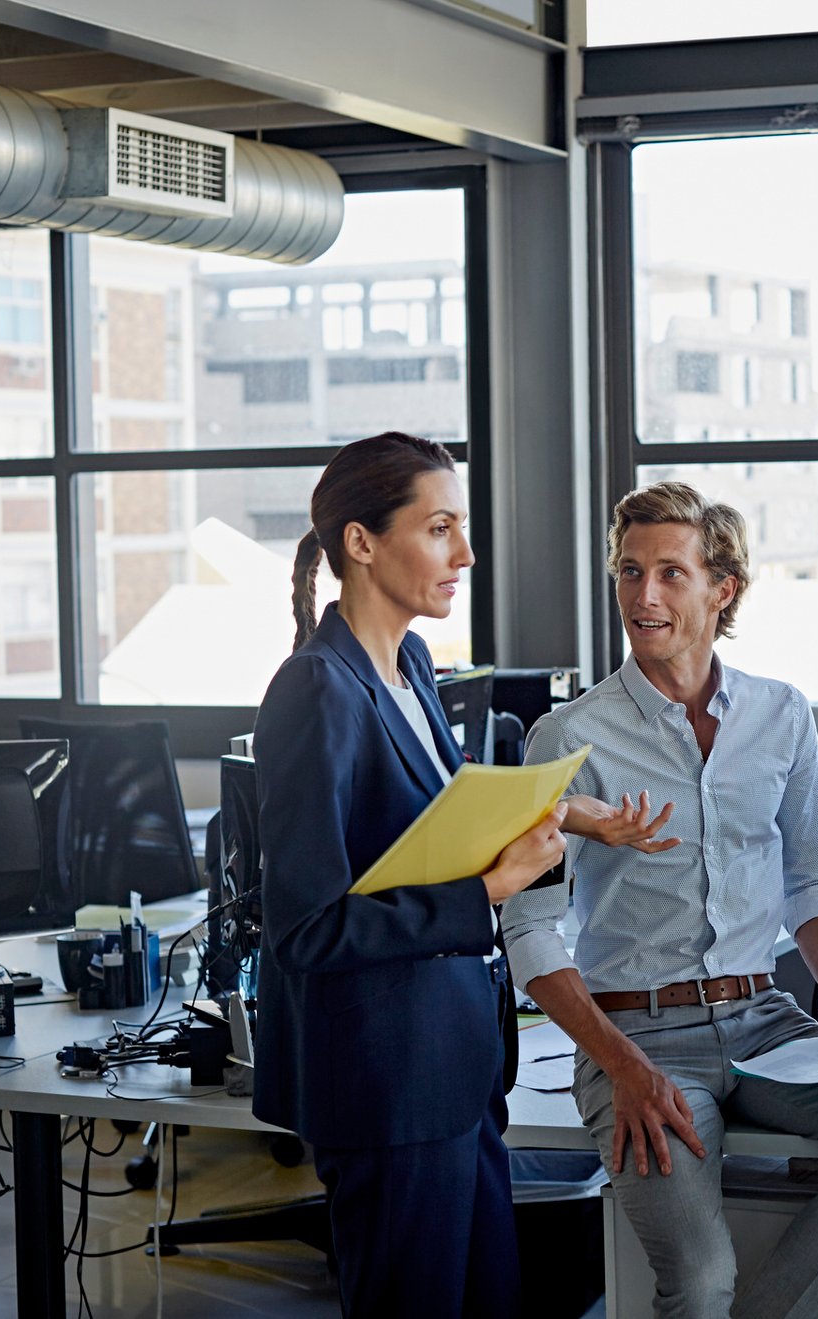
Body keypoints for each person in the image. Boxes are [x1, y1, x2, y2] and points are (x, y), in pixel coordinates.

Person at [500, 480, 818, 1319]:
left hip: (765, 1019)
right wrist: (623, 1066)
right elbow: (527, 929)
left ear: (722, 588)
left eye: (671, 573)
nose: (644, 595)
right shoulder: (566, 737)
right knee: (698, 1279)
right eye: (630, 573)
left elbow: (810, 881)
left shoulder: (781, 717)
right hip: (632, 1032)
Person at [251, 431, 569, 1317]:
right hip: (388, 1086)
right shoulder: (315, 689)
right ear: (361, 542)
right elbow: (308, 927)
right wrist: (489, 892)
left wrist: (540, 827)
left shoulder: (411, 665)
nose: (464, 553)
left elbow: (421, 837)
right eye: (439, 528)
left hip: (458, 1069)